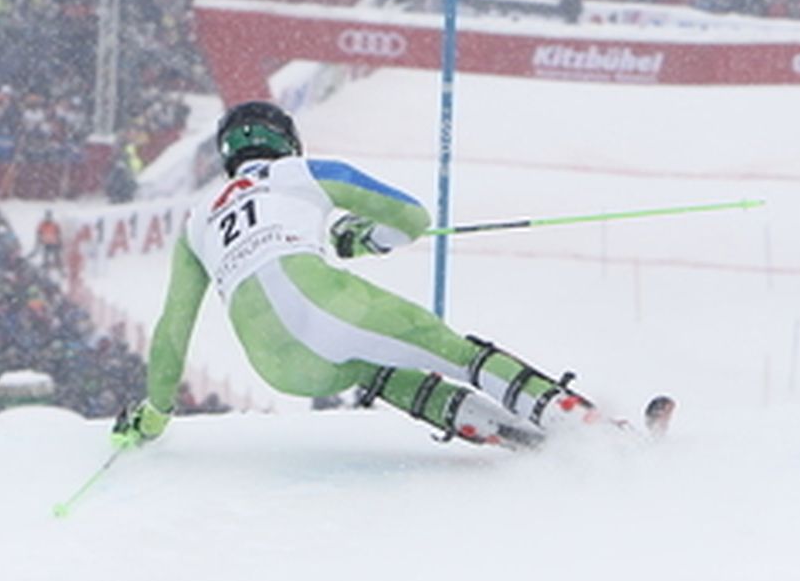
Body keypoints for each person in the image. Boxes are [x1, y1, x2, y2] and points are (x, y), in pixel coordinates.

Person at [112, 101, 613, 450]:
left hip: (278, 366)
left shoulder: (197, 221)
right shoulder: (297, 173)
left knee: (379, 370)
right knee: (455, 353)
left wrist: (154, 415)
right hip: (324, 303)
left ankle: (514, 436)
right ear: (287, 142)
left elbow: (172, 331)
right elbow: (413, 219)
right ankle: (601, 437)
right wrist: (361, 239)